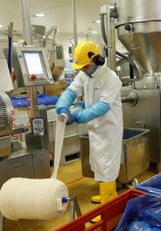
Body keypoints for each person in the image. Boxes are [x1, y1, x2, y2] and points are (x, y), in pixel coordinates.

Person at [55, 40, 123, 216]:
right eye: (81, 67)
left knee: (106, 167)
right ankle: (108, 195)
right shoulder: (84, 75)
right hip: (95, 129)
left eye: (85, 66)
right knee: (98, 164)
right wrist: (63, 106)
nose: (83, 69)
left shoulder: (111, 78)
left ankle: (108, 210)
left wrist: (78, 116)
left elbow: (102, 107)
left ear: (97, 60)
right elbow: (71, 91)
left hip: (108, 130)